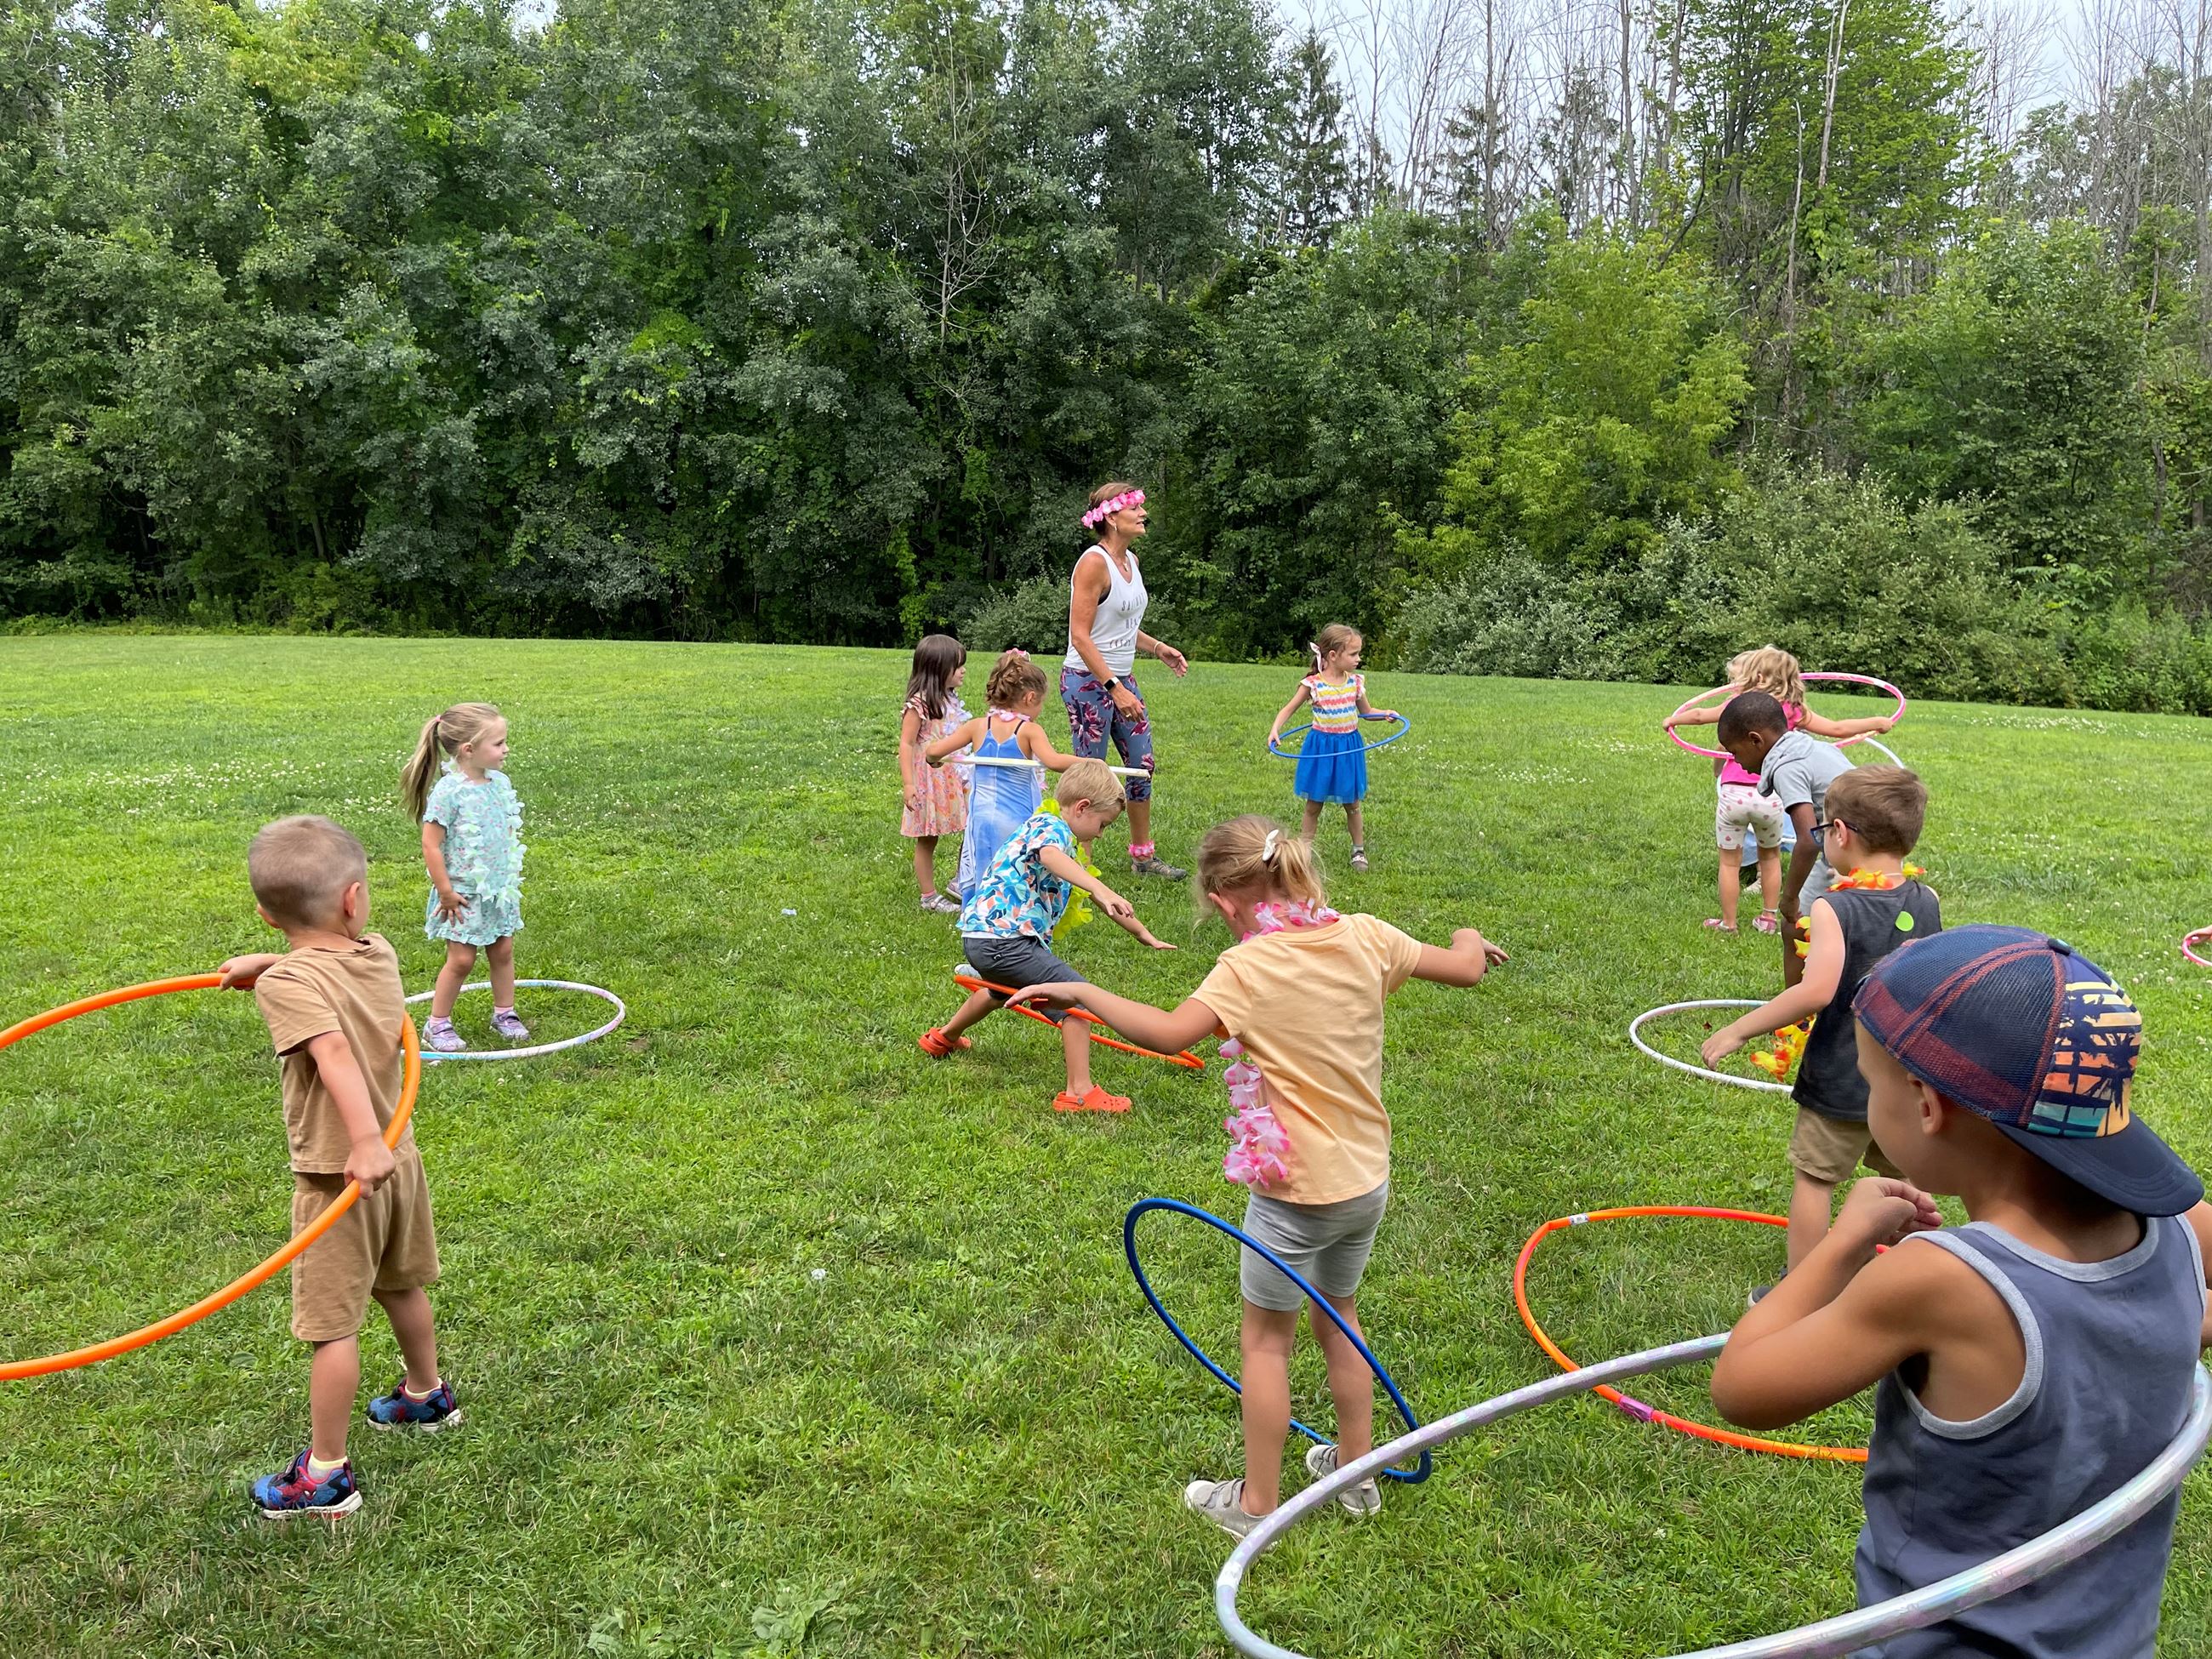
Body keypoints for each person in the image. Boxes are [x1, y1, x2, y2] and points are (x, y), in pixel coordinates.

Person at [1710, 925, 2212, 1659]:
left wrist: (1843, 1248)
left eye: (1869, 1081)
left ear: (1924, 1104)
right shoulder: (2180, 1228)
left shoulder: (1942, 1280)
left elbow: (1742, 1387)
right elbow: (2148, 1323)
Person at [1007, 815, 1508, 1536]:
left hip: (1294, 1196)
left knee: (1267, 1343)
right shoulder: (1366, 934)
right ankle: (1357, 1479)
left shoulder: (1247, 968)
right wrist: (1467, 937)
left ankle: (1256, 1507)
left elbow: (1171, 1031)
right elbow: (1462, 966)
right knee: (1340, 1320)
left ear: (1221, 901)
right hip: (1365, 1180)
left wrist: (1080, 993)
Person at [216, 816, 459, 1519]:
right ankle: (425, 1394)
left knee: (333, 1327)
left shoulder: (288, 985)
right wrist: (267, 963)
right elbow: (327, 969)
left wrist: (360, 1143)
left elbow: (334, 1054)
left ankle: (325, 1475)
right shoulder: (377, 952)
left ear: (266, 914)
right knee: (399, 1282)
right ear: (355, 902)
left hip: (340, 1175)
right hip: (398, 1155)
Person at [1700, 767, 1941, 1277]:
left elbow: (1816, 990)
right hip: (1904, 1077)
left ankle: (1802, 1288)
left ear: (1840, 834)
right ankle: (1913, 1278)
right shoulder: (1928, 900)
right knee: (1906, 1178)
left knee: (1815, 1179)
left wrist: (1741, 1028)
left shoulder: (1835, 907)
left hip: (1843, 1072)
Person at [917, 760, 1176, 1114]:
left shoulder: (1059, 841)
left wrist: (1143, 933)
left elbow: (1101, 900)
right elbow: (1051, 857)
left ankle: (942, 1038)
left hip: (983, 940)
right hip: (1006, 941)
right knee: (1078, 999)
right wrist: (1099, 888)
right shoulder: (1049, 827)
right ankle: (1079, 1092)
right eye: (1103, 824)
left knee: (996, 989)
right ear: (1083, 807)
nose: (1101, 834)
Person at [1667, 647, 1897, 937]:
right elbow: (1837, 728)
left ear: (1758, 676)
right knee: (1771, 856)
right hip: (1770, 801)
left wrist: (1673, 721)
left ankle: (1729, 922)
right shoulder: (1792, 711)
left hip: (1733, 797)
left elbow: (1701, 715)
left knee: (1728, 861)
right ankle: (1768, 917)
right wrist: (1876, 722)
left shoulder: (1738, 706)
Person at [1062, 481, 1189, 881]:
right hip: (1087, 682)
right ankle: (1078, 863)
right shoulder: (1092, 563)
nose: (1143, 514)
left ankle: (1143, 857)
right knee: (1091, 773)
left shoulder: (1130, 562)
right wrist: (1114, 689)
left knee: (1141, 765)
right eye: (1135, 508)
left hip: (1121, 678)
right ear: (1113, 518)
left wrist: (1157, 648)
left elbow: (1119, 625)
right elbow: (1081, 635)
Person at [402, 703, 527, 1053]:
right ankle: (437, 1024)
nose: (506, 750)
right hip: (460, 894)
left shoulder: (499, 783)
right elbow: (431, 844)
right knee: (462, 959)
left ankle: (504, 1014)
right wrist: (445, 891)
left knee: (502, 950)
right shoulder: (449, 792)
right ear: (469, 750)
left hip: (496, 890)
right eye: (499, 743)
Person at [1715, 690, 1854, 990]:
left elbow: (1808, 839)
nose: (1736, 762)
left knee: (1795, 925)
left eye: (1735, 752)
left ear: (1756, 740)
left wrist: (1789, 897)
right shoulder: (1812, 747)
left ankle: (1795, 1008)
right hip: (1871, 845)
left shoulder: (1786, 767)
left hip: (1845, 850)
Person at [925, 649, 1075, 905]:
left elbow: (934, 751)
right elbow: (1054, 761)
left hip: (982, 818)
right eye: (1040, 703)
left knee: (986, 866)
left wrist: (933, 759)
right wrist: (1092, 763)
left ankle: (980, 914)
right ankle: (1011, 915)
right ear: (1030, 698)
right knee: (1015, 868)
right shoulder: (1029, 730)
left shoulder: (977, 726)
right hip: (1016, 818)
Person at [1266, 624, 1400, 872]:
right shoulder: (1313, 684)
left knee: (1353, 803)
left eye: (1359, 653)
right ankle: (1304, 852)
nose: (1359, 659)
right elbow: (1289, 708)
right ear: (1333, 656)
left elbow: (1366, 712)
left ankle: (1358, 850)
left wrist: (1385, 715)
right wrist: (1275, 728)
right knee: (1313, 804)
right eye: (1354, 654)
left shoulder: (1355, 683)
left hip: (1349, 748)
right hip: (1321, 750)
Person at [898, 634, 972, 915]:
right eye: (958, 666)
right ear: (939, 668)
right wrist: (909, 784)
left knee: (973, 824)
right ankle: (928, 896)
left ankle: (960, 880)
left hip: (953, 778)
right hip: (928, 781)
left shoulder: (950, 700)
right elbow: (906, 743)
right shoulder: (919, 704)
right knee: (928, 838)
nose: (963, 670)